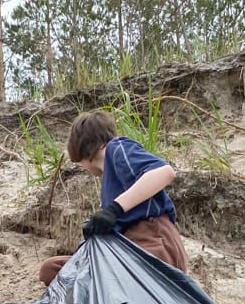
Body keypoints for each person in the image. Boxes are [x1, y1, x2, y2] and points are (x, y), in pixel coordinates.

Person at [39, 109, 188, 286]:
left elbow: (164, 172)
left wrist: (115, 209)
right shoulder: (109, 181)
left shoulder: (117, 148)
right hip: (125, 249)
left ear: (82, 151)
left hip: (153, 242)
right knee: (52, 270)